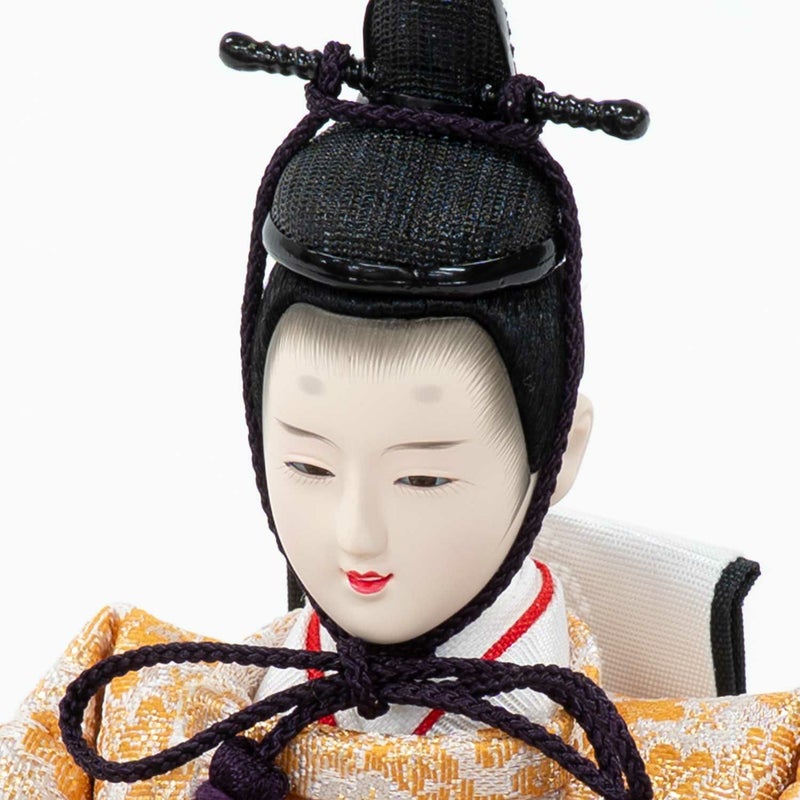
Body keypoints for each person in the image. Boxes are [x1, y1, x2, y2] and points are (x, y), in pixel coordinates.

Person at [2, 1, 799, 798]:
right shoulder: (126, 712)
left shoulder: (732, 768)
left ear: (558, 453)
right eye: (308, 465)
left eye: (422, 476)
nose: (357, 533)